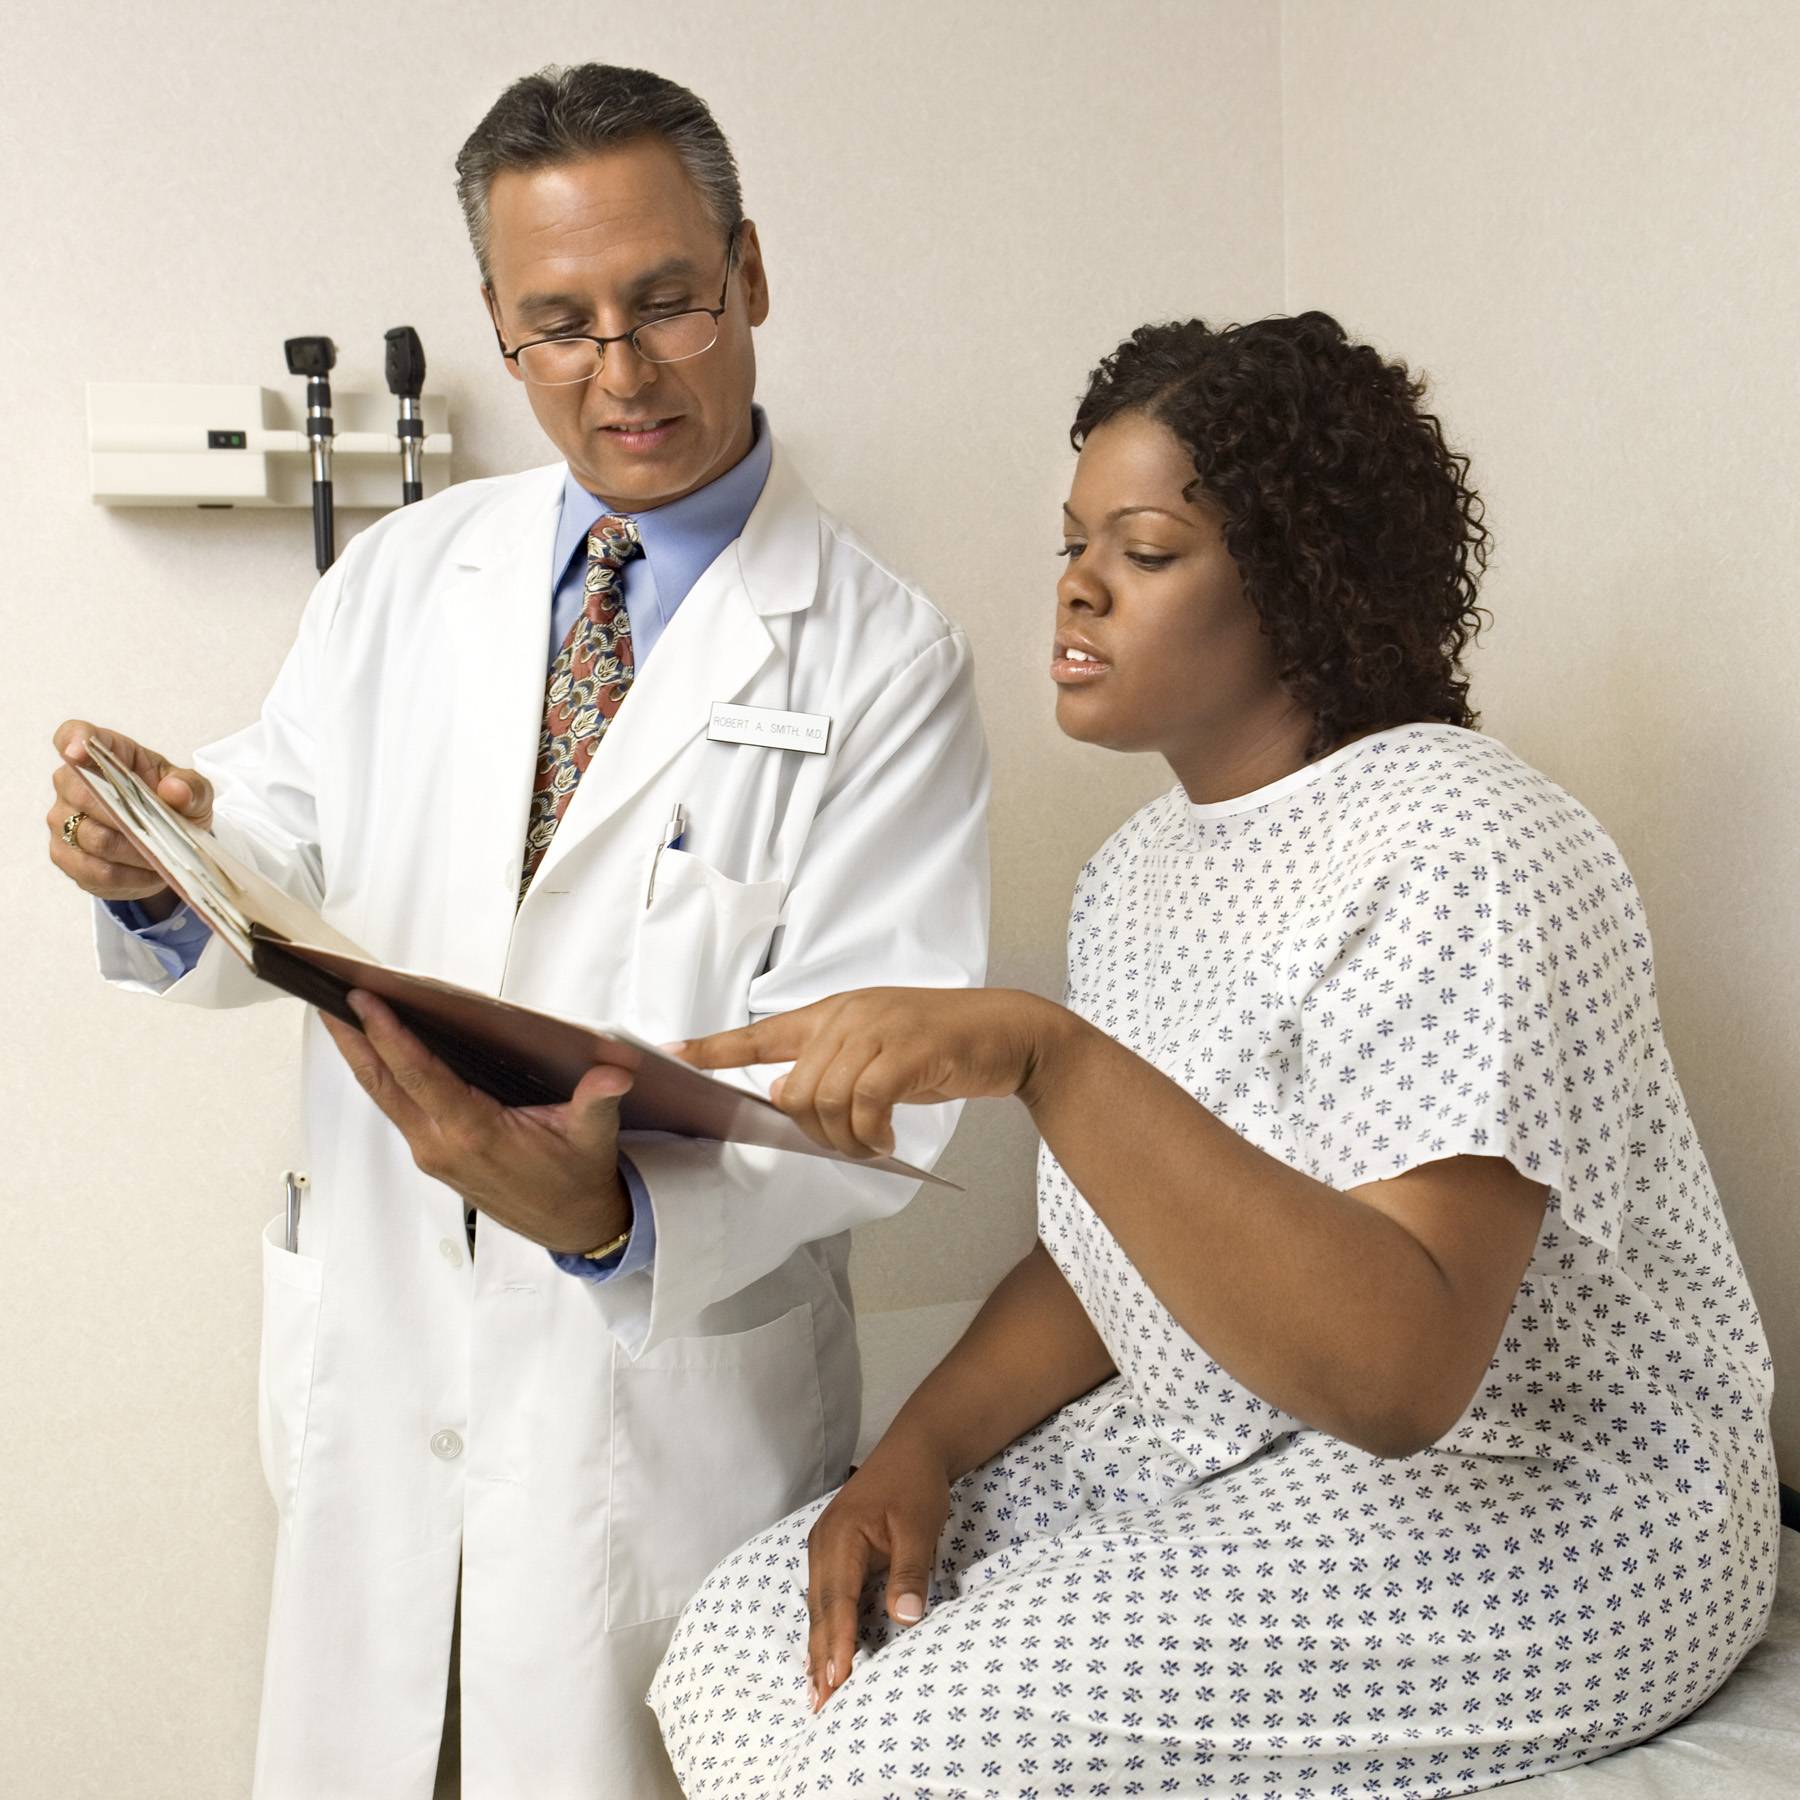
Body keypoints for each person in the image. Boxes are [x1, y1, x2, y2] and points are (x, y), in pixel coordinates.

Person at [649, 312, 1779, 1796]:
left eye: (1146, 549)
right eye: (1072, 543)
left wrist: (1044, 1056)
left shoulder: (1465, 838)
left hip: (1549, 1503)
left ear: (1299, 583)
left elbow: (1398, 1376)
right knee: (739, 1644)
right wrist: (911, 1452)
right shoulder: (1135, 873)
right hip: (1232, 1435)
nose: (1079, 586)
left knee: (886, 1744)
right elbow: (1117, 1264)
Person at [45, 64, 988, 1800]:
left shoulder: (882, 656)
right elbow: (276, 841)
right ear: (498, 323)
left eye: (667, 303)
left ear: (751, 273)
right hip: (388, 1340)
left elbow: (888, 1097)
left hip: (664, 1399)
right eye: (559, 324)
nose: (619, 372)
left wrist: (616, 1213)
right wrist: (152, 855)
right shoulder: (407, 578)